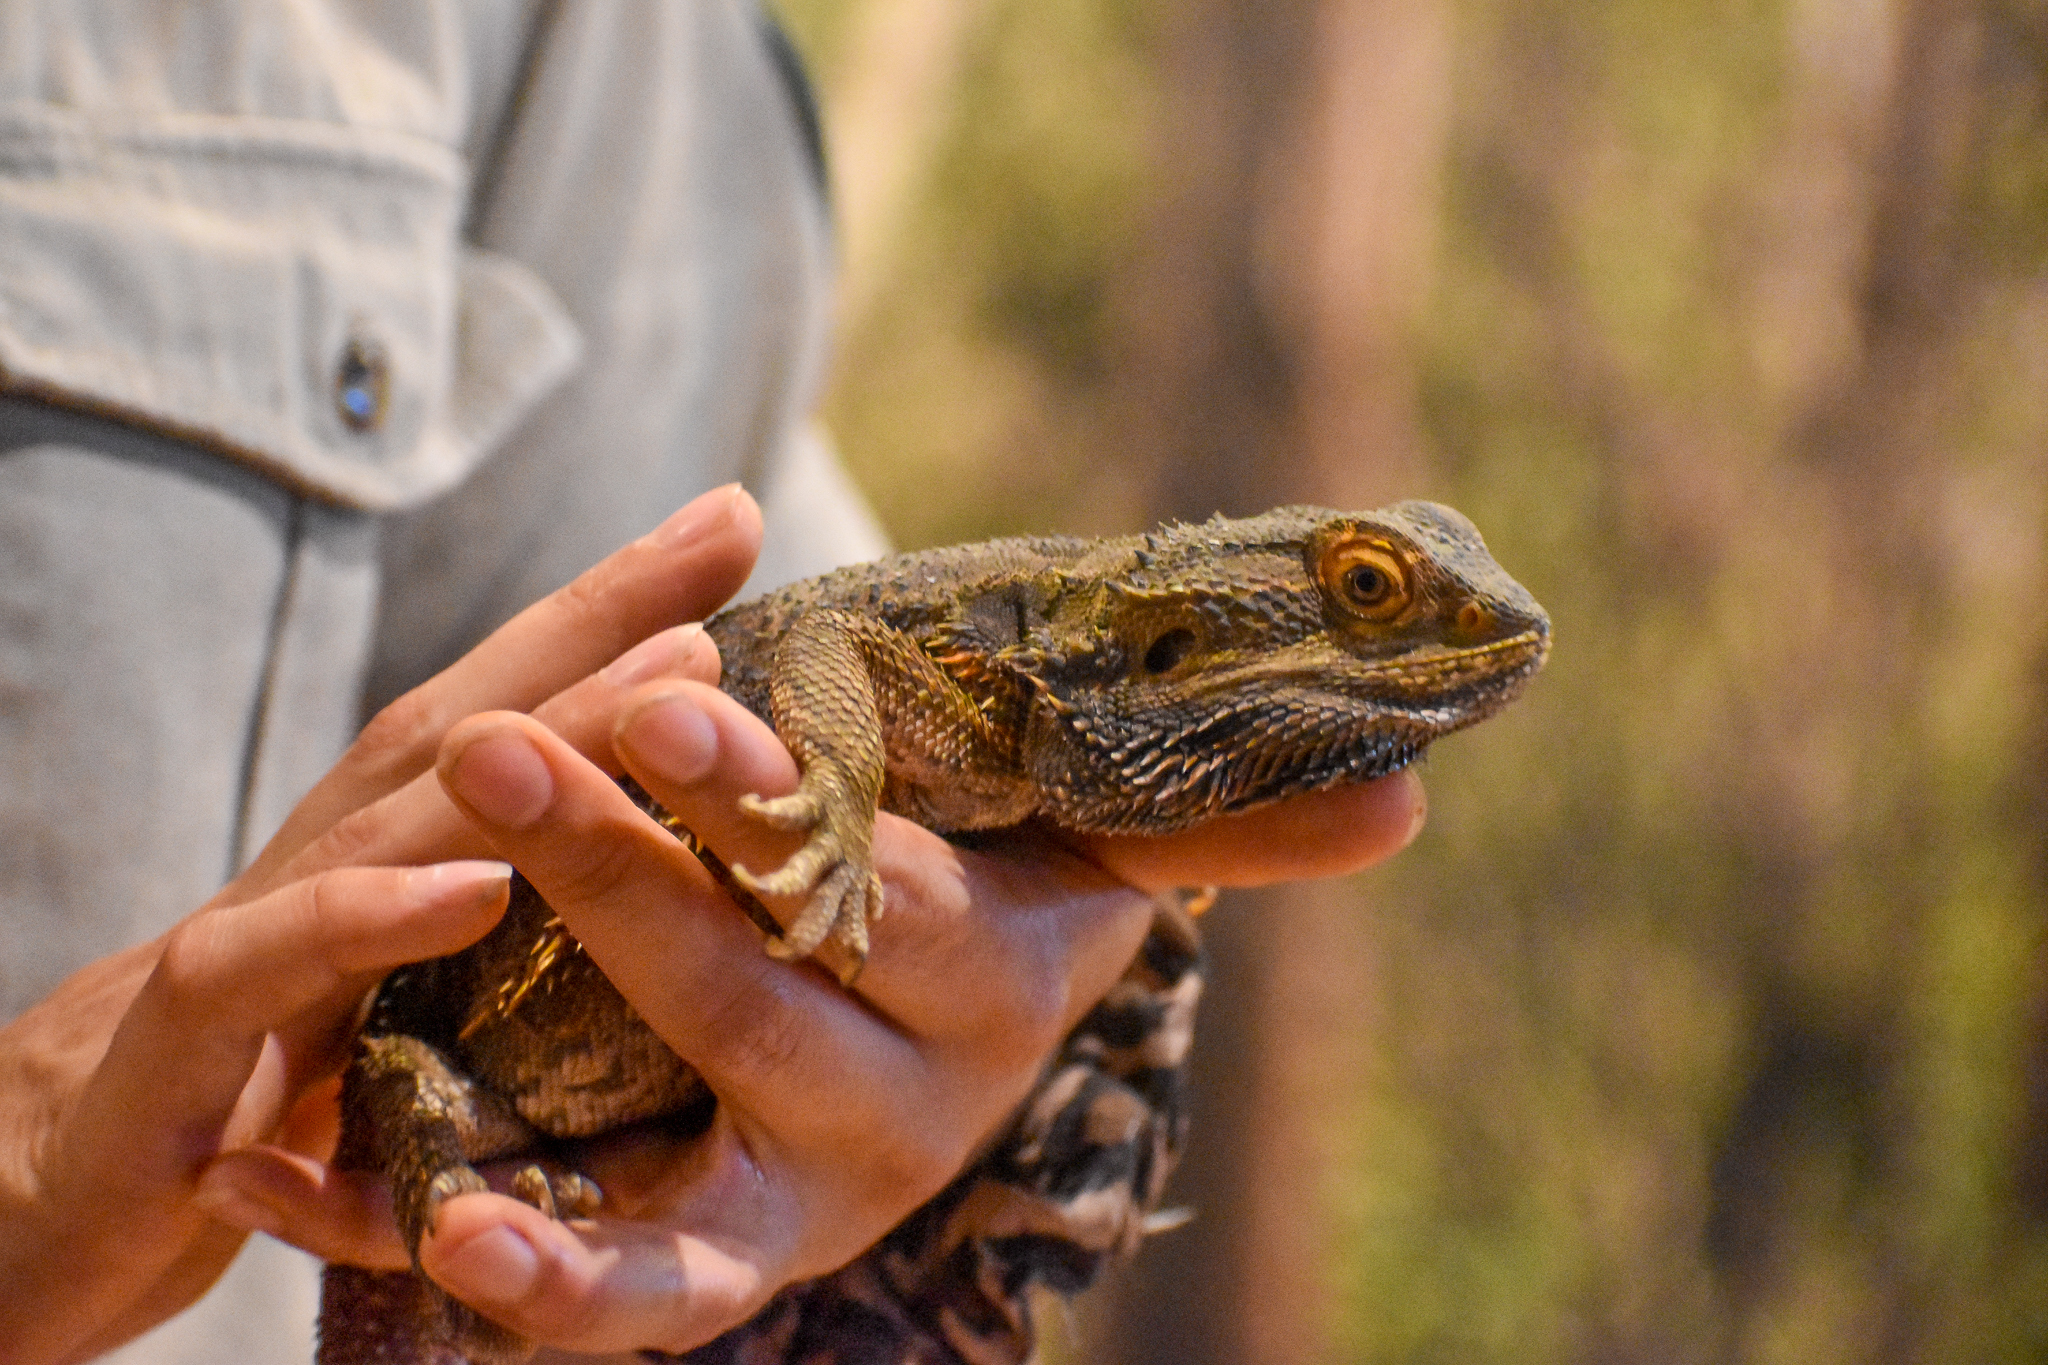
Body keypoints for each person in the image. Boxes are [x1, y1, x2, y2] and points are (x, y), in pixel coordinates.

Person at [0, 5, 1425, 1363]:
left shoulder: (630, 64)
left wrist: (984, 1069)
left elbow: (740, 695)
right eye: (1363, 595)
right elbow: (830, 673)